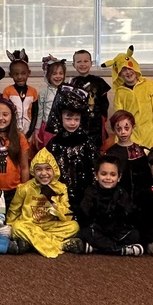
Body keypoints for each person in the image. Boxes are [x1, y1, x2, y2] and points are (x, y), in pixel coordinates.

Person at [6, 149, 82, 257]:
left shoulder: (60, 188)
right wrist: (10, 226)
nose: (44, 173)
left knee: (74, 226)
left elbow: (66, 216)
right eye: (39, 169)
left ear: (54, 170)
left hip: (49, 226)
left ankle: (32, 243)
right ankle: (61, 245)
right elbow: (14, 210)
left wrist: (52, 199)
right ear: (33, 171)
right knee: (17, 227)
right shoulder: (24, 188)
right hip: (29, 225)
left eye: (48, 169)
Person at [45, 86, 98, 215]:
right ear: (60, 117)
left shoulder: (87, 142)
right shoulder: (53, 144)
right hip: (59, 196)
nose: (73, 123)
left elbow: (93, 169)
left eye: (76, 119)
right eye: (68, 119)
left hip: (84, 195)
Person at [78, 154, 144, 256]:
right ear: (96, 175)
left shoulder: (122, 192)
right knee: (85, 233)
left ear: (119, 177)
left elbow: (129, 213)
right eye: (104, 174)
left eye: (113, 175)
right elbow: (85, 212)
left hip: (116, 230)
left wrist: (123, 209)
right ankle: (121, 250)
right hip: (98, 228)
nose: (108, 178)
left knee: (135, 235)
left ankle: (98, 248)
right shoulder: (90, 191)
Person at [103, 46, 153, 148]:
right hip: (130, 136)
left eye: (129, 68)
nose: (128, 72)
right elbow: (119, 117)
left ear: (135, 67)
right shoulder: (120, 92)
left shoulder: (150, 85)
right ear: (119, 74)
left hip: (149, 134)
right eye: (123, 70)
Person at [100, 109, 151, 202]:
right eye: (119, 129)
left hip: (141, 199)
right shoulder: (110, 154)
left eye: (126, 128)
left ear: (133, 127)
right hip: (118, 199)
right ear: (113, 130)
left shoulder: (141, 151)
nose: (123, 132)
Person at [68, 49, 110, 151]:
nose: (82, 64)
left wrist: (103, 117)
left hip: (96, 123)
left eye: (86, 61)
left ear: (91, 63)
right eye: (79, 62)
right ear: (74, 64)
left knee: (96, 148)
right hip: (78, 123)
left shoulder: (99, 81)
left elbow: (104, 102)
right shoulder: (72, 82)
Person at [2, 49, 39, 140]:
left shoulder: (33, 92)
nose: (19, 77)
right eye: (16, 74)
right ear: (11, 75)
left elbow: (35, 113)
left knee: (28, 153)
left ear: (28, 73)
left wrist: (31, 131)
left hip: (29, 132)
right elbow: (5, 112)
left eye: (23, 73)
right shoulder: (7, 91)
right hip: (12, 131)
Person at [34, 55, 67, 151]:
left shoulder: (66, 91)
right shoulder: (43, 92)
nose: (58, 76)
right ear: (48, 75)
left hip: (62, 127)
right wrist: (36, 130)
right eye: (54, 73)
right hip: (47, 128)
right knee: (48, 151)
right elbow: (40, 113)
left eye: (61, 73)